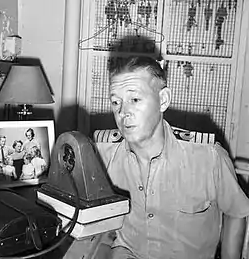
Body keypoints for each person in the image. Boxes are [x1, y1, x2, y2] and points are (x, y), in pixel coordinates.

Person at [95, 56, 249, 259]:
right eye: (116, 102)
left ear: (163, 100)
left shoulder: (207, 158)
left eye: (135, 100)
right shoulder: (102, 153)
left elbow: (236, 211)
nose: (123, 112)